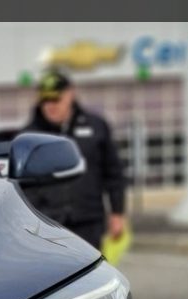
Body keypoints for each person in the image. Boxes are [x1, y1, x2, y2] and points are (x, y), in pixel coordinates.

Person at [22, 70, 127, 249]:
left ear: (70, 94)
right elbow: (23, 184)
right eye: (45, 100)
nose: (50, 106)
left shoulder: (96, 127)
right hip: (49, 226)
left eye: (55, 99)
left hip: (89, 221)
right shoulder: (29, 137)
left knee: (91, 275)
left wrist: (117, 212)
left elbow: (113, 172)